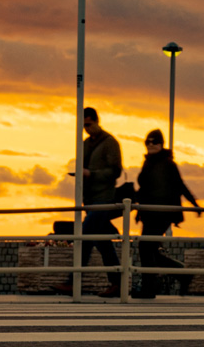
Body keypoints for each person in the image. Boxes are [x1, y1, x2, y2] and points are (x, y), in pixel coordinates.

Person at [133, 129, 200, 299]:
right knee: (150, 249)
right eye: (148, 142)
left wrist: (194, 204)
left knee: (146, 248)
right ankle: (181, 274)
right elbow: (145, 190)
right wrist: (138, 211)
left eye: (154, 142)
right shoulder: (148, 163)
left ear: (161, 144)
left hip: (162, 214)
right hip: (149, 213)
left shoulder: (168, 164)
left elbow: (180, 185)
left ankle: (149, 287)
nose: (151, 145)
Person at [78, 107, 124, 297]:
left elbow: (115, 171)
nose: (86, 129)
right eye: (83, 125)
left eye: (88, 124)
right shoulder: (86, 143)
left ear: (97, 121)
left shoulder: (109, 142)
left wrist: (92, 174)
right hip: (90, 200)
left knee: (85, 236)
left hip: (103, 199)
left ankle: (73, 280)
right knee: (104, 243)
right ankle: (117, 283)